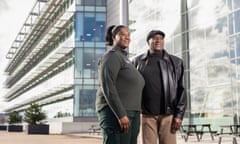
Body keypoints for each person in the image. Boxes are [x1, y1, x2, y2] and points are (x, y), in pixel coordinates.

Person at [133, 30, 187, 144]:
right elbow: (132, 87)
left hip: (168, 116)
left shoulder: (176, 62)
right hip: (147, 115)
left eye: (161, 38)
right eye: (154, 38)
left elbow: (181, 90)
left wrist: (179, 115)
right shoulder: (137, 62)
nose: (158, 40)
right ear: (148, 42)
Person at [96, 25, 145, 144]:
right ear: (114, 37)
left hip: (132, 112)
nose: (126, 37)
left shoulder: (125, 59)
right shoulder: (112, 56)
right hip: (116, 112)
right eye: (122, 34)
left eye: (128, 35)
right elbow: (108, 86)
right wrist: (121, 114)